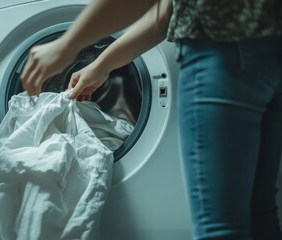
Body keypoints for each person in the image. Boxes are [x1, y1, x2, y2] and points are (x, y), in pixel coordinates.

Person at [20, 0, 282, 239]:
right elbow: (164, 12)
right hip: (271, 48)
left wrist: (66, 45)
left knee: (221, 229)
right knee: (259, 212)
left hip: (220, 49)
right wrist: (101, 65)